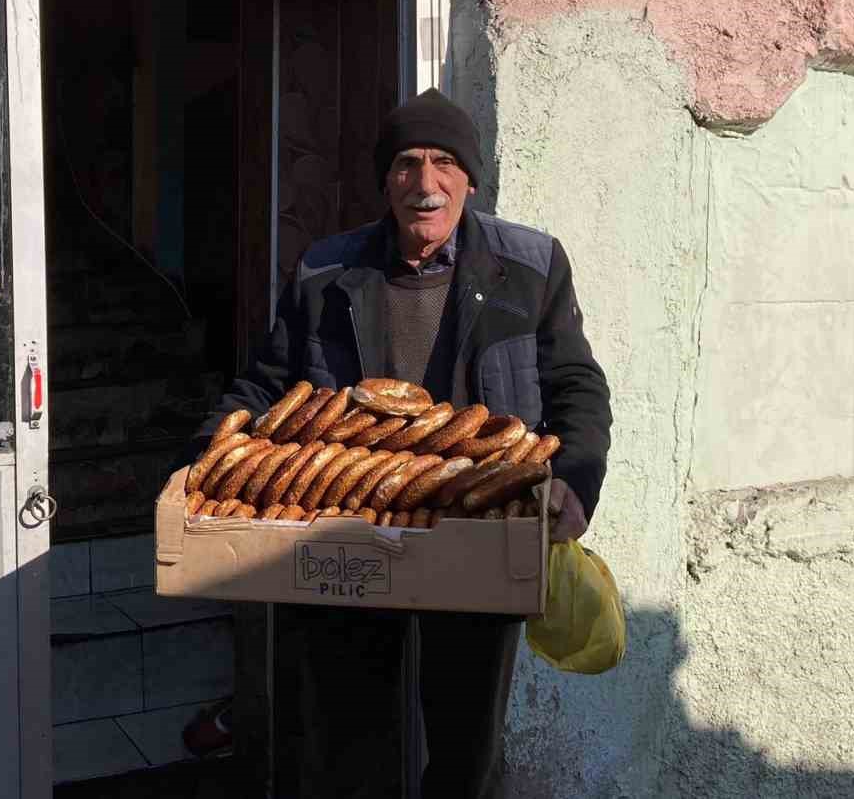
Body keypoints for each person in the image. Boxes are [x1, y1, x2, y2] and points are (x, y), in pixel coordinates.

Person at [186, 88, 612, 797]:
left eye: (445, 162)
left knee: (466, 752)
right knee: (352, 749)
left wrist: (573, 478)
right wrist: (205, 457)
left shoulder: (531, 266)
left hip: (481, 533)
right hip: (351, 538)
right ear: (385, 181)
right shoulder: (327, 270)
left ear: (470, 179)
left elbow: (576, 387)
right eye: (407, 164)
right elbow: (264, 386)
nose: (426, 183)